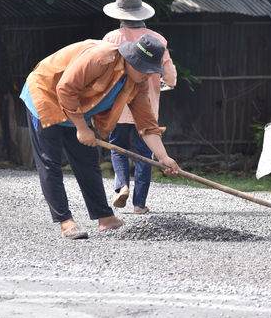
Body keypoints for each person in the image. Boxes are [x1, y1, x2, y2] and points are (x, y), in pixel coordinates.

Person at [20, 34, 180, 240]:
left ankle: (105, 218)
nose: (149, 75)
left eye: (152, 71)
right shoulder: (100, 58)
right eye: (146, 69)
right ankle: (65, 222)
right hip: (47, 95)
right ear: (132, 60)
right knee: (50, 163)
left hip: (77, 107)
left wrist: (163, 157)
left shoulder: (137, 82)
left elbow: (147, 125)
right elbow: (65, 88)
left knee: (88, 162)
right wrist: (81, 127)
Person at [102, 0, 177, 215]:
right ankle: (139, 205)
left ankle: (122, 186)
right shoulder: (157, 40)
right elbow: (171, 77)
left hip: (118, 105)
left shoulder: (111, 38)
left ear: (119, 14)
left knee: (118, 148)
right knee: (146, 153)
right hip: (147, 105)